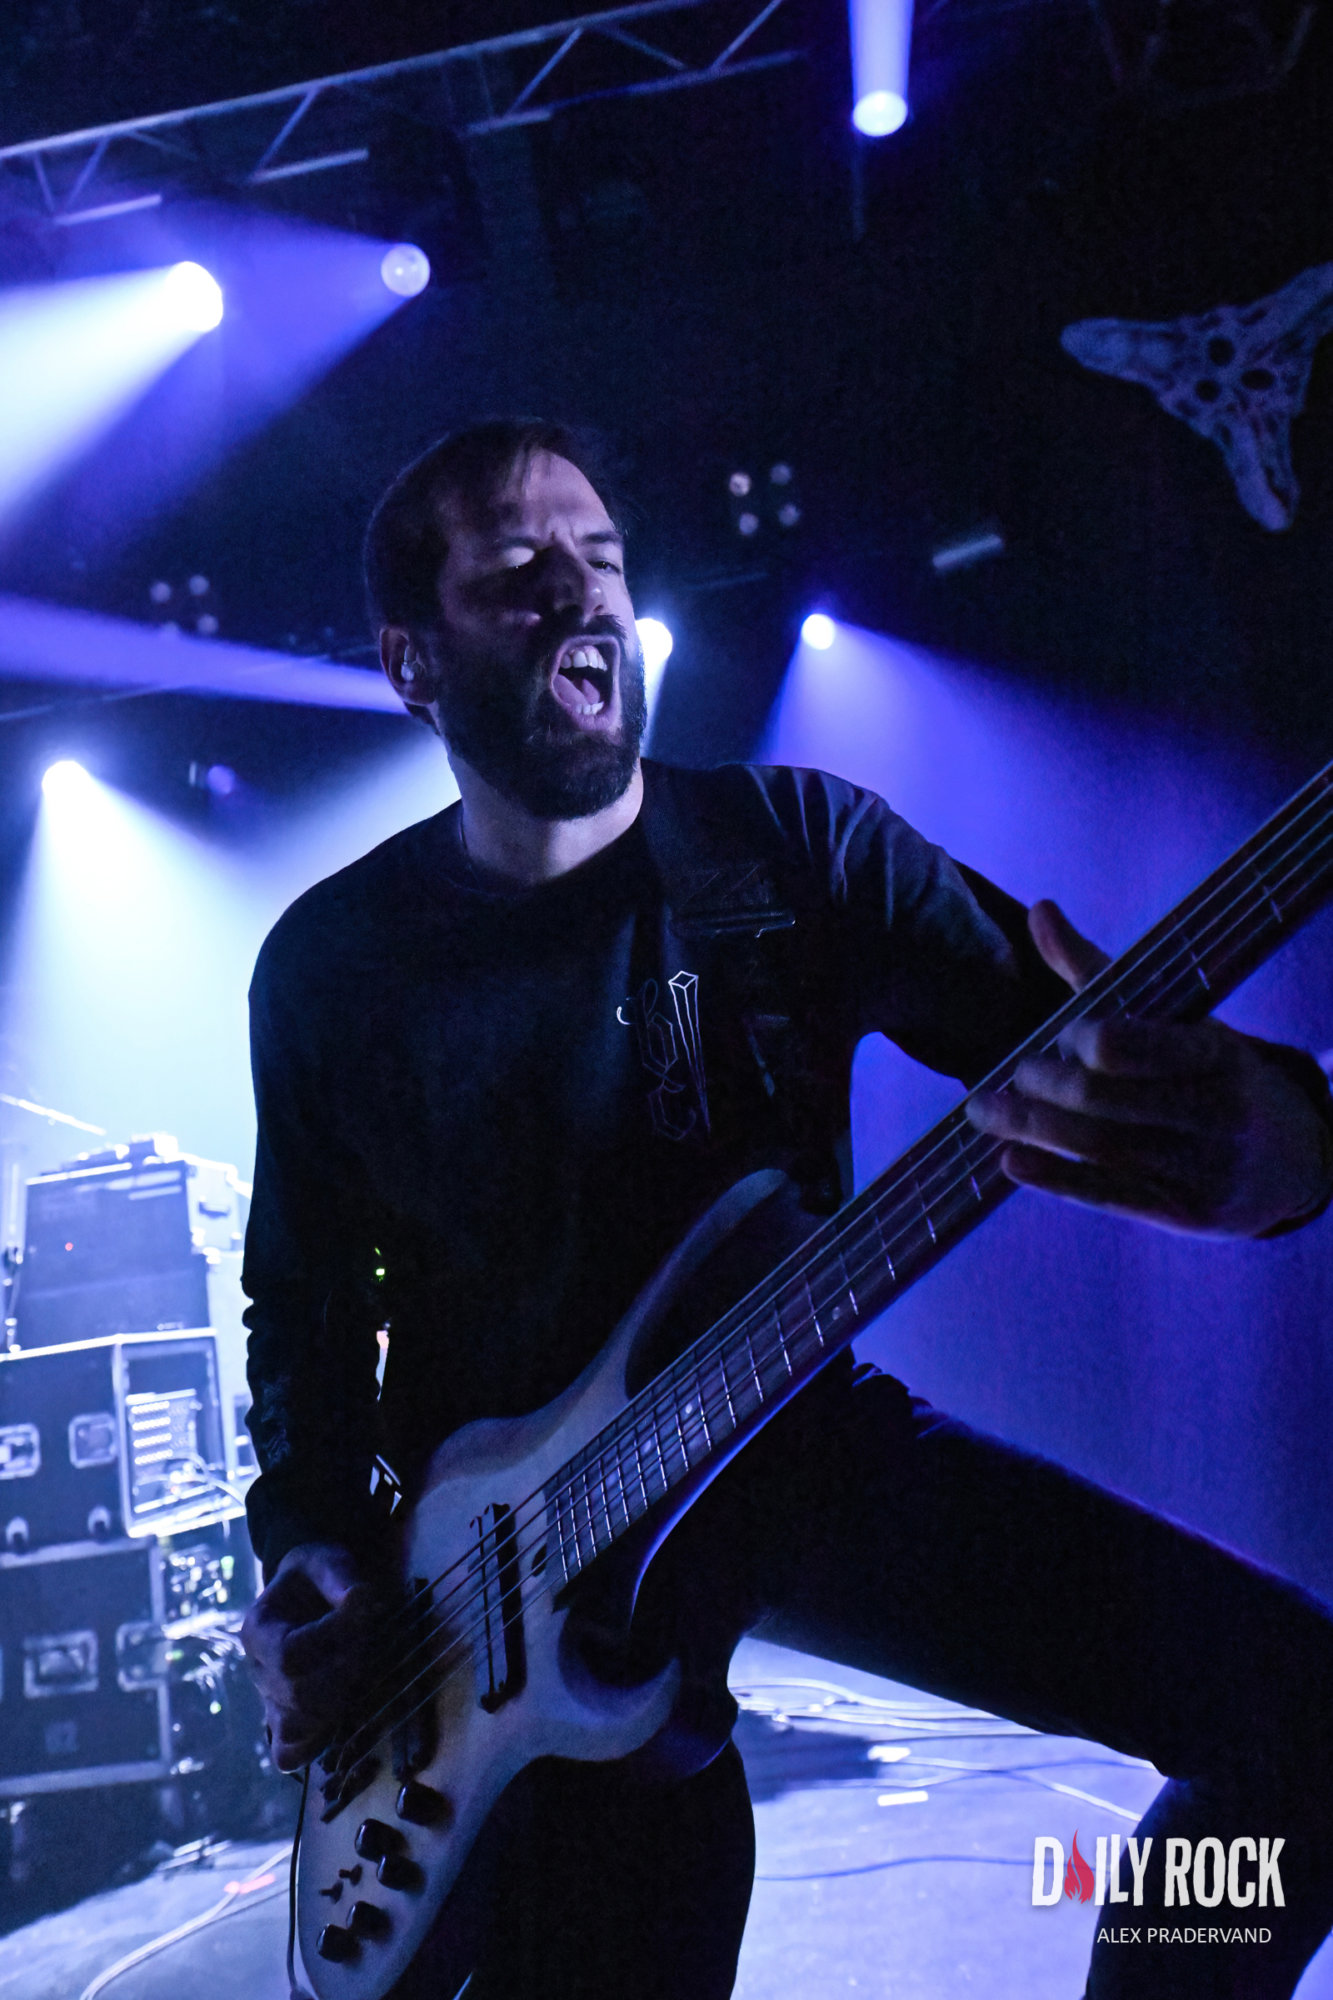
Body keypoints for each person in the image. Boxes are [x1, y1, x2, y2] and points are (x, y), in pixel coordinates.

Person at [241, 418, 1333, 2000]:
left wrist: (1281, 1135)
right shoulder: (332, 967)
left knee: (1301, 1725)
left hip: (788, 1446)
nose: (581, 596)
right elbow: (303, 1319)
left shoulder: (789, 851)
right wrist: (313, 1554)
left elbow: (1090, 1058)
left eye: (602, 560)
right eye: (520, 570)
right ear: (412, 662)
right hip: (495, 1592)